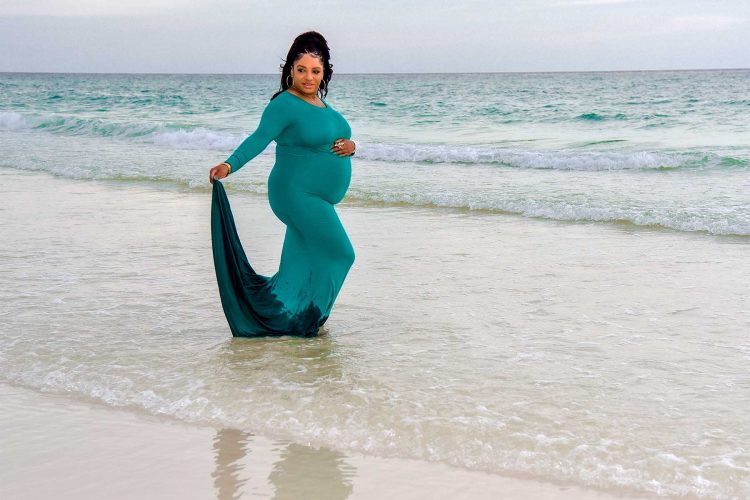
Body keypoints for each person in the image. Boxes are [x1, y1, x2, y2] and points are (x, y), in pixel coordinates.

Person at [208, 31, 356, 338]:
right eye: (301, 69)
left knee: (298, 267)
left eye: (315, 71)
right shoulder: (283, 105)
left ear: (325, 72)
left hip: (316, 197)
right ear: (290, 69)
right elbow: (258, 139)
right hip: (296, 194)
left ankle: (287, 314)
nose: (308, 77)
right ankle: (309, 320)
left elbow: (333, 139)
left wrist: (351, 145)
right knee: (342, 254)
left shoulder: (322, 105)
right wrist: (229, 164)